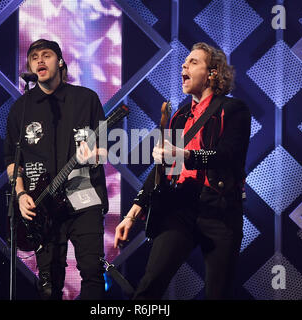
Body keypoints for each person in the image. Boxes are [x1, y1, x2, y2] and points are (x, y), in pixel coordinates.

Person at [114, 42, 251, 300]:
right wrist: (133, 213)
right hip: (181, 206)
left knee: (218, 294)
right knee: (149, 287)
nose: (183, 66)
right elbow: (164, 170)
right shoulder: (179, 116)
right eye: (184, 62)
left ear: (212, 73)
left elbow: (228, 156)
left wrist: (186, 155)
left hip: (220, 210)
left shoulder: (233, 110)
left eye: (193, 62)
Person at [4, 39, 108, 300]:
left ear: (60, 61)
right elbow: (12, 161)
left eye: (46, 55)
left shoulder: (86, 99)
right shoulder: (21, 108)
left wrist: (93, 155)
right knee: (49, 284)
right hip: (44, 207)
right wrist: (20, 195)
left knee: (92, 272)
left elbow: (106, 147)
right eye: (34, 57)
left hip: (84, 197)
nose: (40, 60)